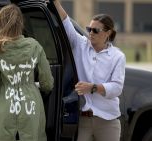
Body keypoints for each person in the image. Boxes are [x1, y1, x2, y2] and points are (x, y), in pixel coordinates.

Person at [54, 1, 126, 141]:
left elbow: (117, 88)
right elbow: (65, 21)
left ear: (108, 33)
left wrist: (92, 87)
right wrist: (56, 2)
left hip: (108, 121)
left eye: (95, 30)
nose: (91, 33)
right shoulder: (80, 44)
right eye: (89, 29)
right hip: (84, 120)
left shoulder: (118, 56)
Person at [0, 4, 54, 141]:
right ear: (20, 24)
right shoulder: (35, 46)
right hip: (31, 105)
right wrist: (35, 85)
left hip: (4, 105)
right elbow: (48, 84)